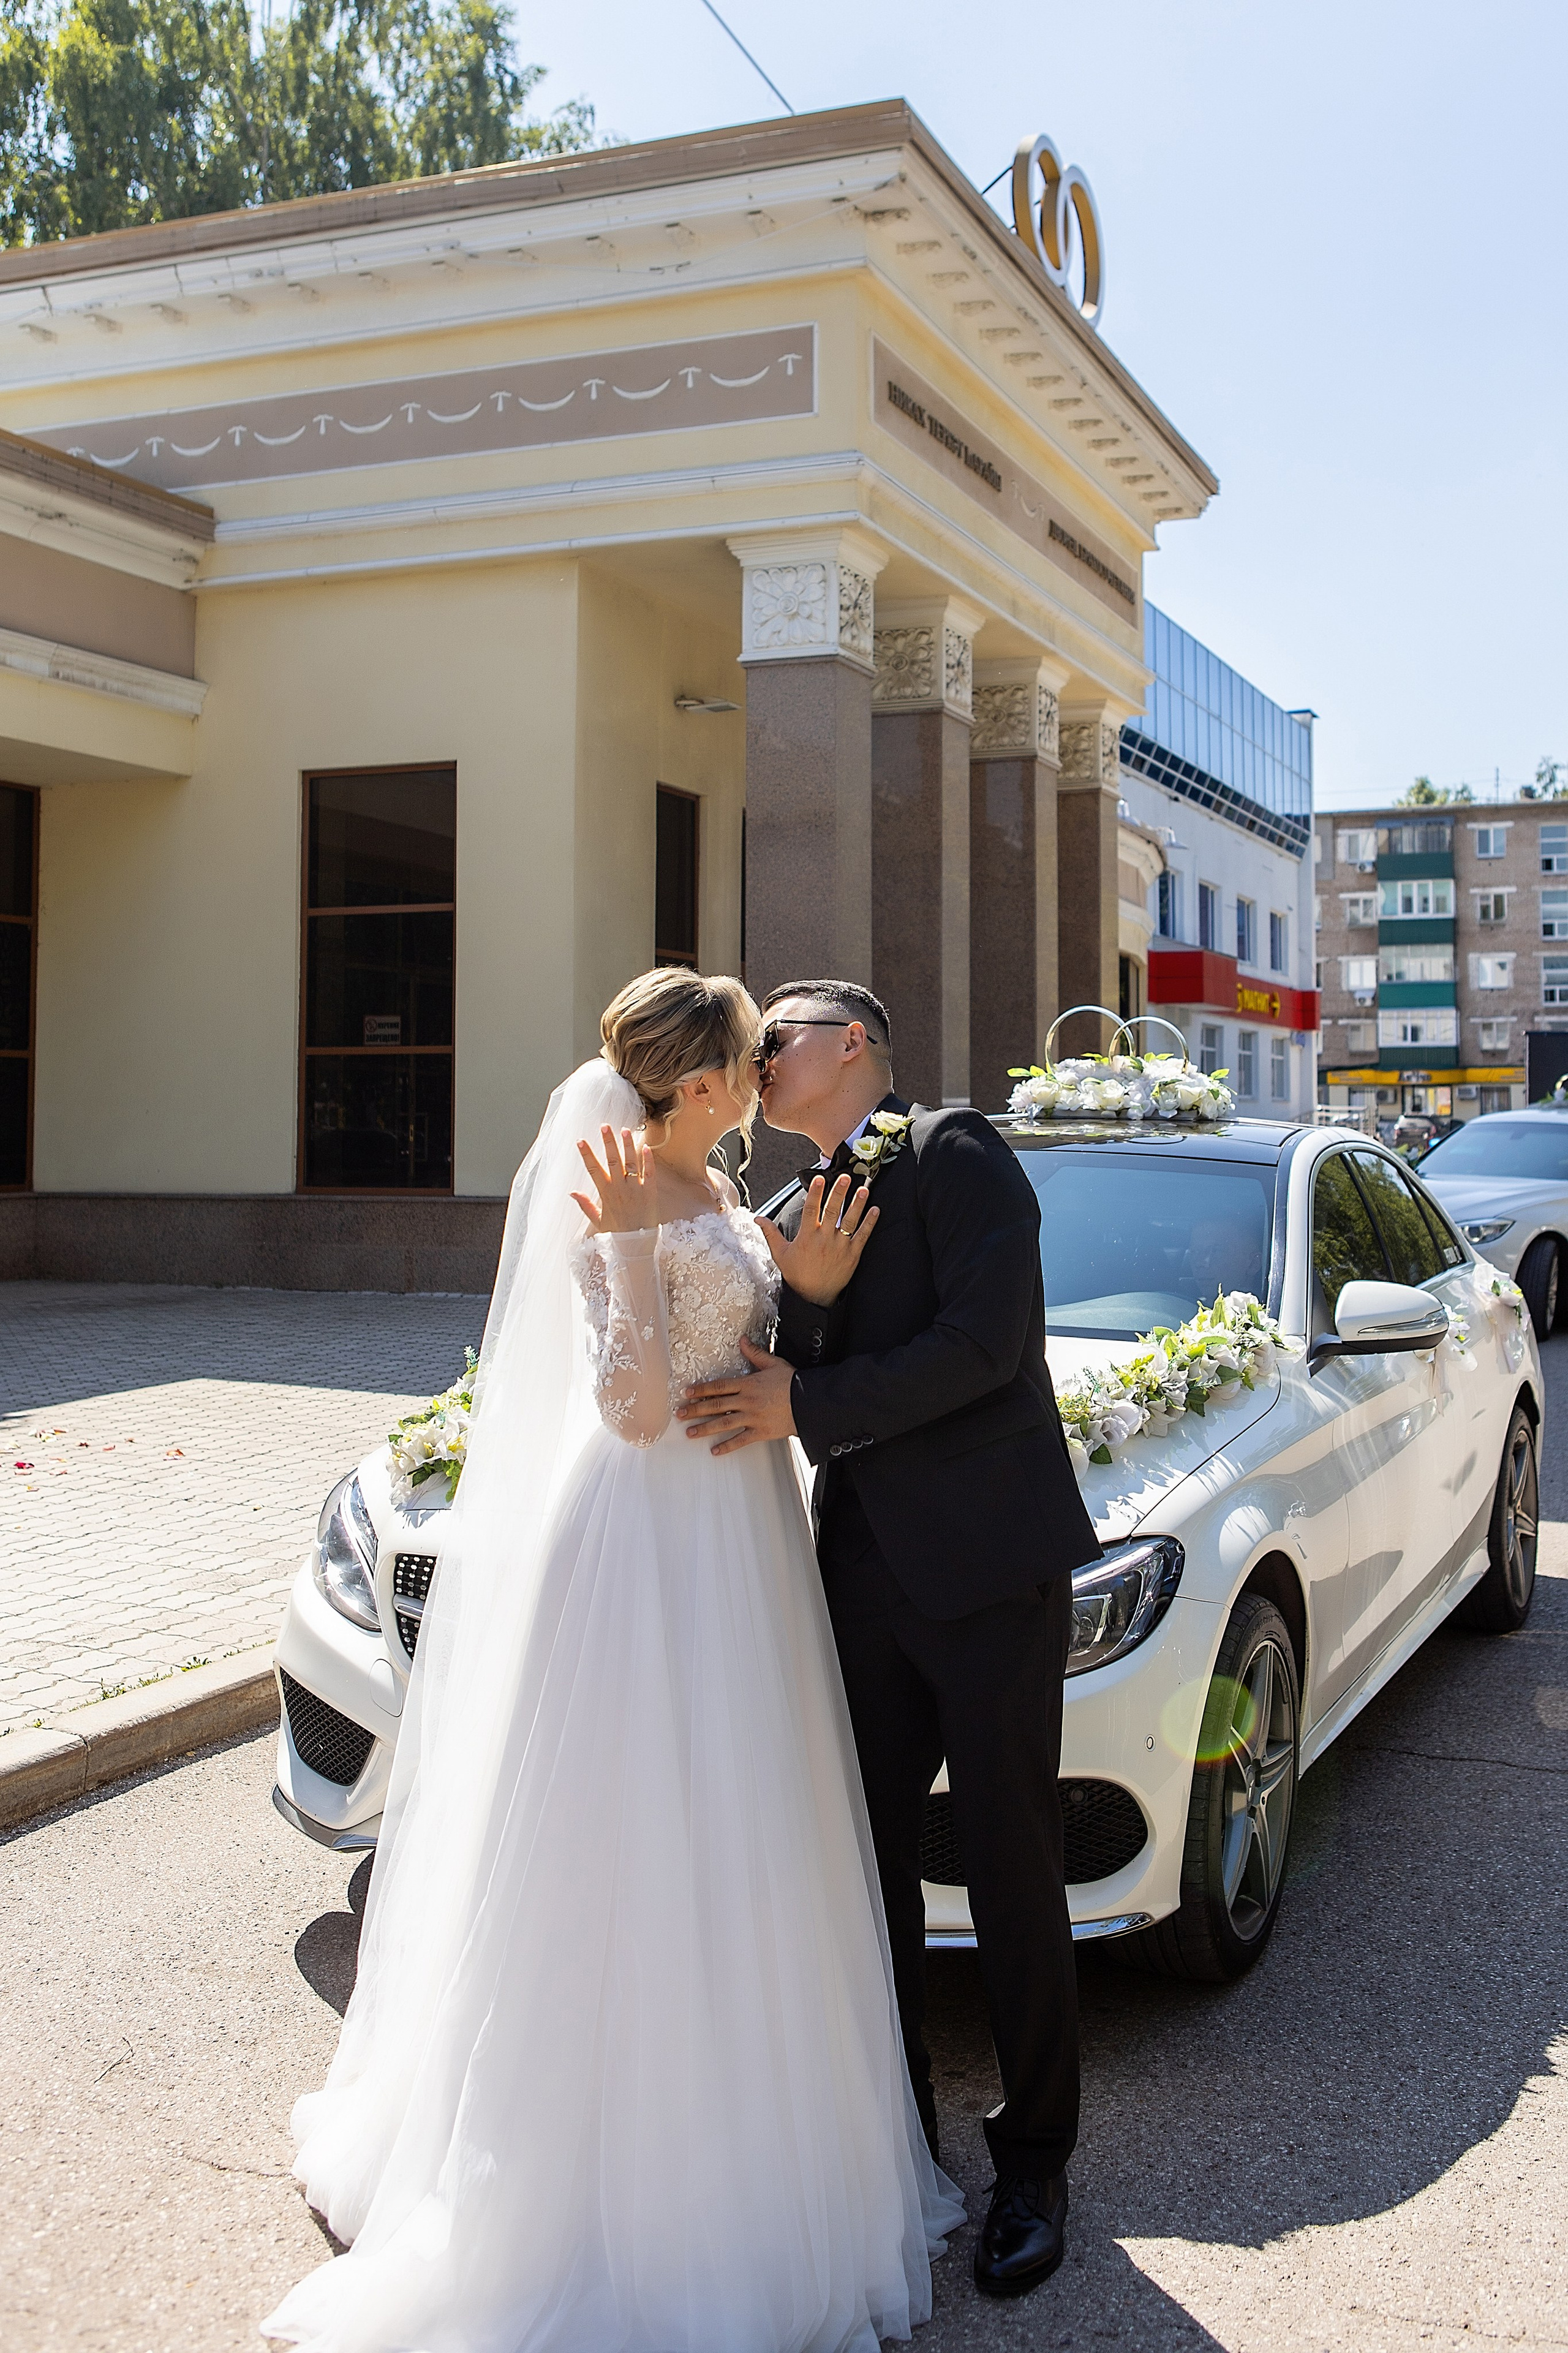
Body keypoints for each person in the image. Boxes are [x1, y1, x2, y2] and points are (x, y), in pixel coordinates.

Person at [262, 969, 962, 2353]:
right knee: (625, 1826)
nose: (762, 1075)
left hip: (743, 1522)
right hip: (645, 1527)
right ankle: (592, 2186)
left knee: (744, 1818)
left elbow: (752, 1339)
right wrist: (631, 1257)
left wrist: (806, 1290)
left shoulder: (719, 1186)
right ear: (698, 1084)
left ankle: (756, 2149)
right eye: (747, 1059)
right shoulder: (621, 1191)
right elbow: (633, 1408)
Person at [679, 982, 1103, 2302]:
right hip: (861, 1577)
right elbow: (797, 1360)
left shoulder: (958, 1151)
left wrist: (807, 1396)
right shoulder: (800, 1198)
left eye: (777, 1038)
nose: (757, 1060)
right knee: (864, 1872)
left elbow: (984, 1344)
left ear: (851, 1041)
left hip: (988, 1570)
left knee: (1010, 1863)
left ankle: (1035, 2163)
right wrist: (803, 1312)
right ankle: (900, 2137)